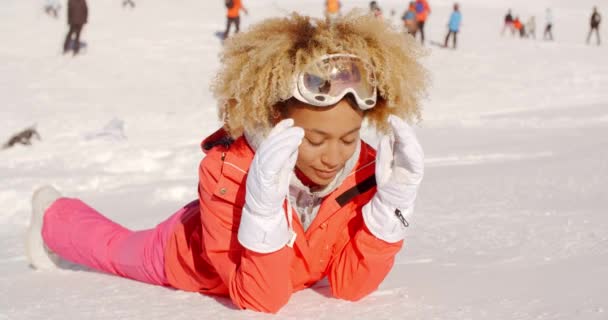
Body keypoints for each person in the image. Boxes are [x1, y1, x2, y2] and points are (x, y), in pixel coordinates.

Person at [25, 12, 428, 314]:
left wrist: (390, 213)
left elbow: (349, 286)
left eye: (349, 138)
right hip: (183, 256)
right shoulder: (227, 171)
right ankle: (52, 214)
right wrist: (265, 209)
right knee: (115, 250)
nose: (334, 156)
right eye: (316, 139)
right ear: (277, 120)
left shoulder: (365, 172)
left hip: (276, 272)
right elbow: (261, 298)